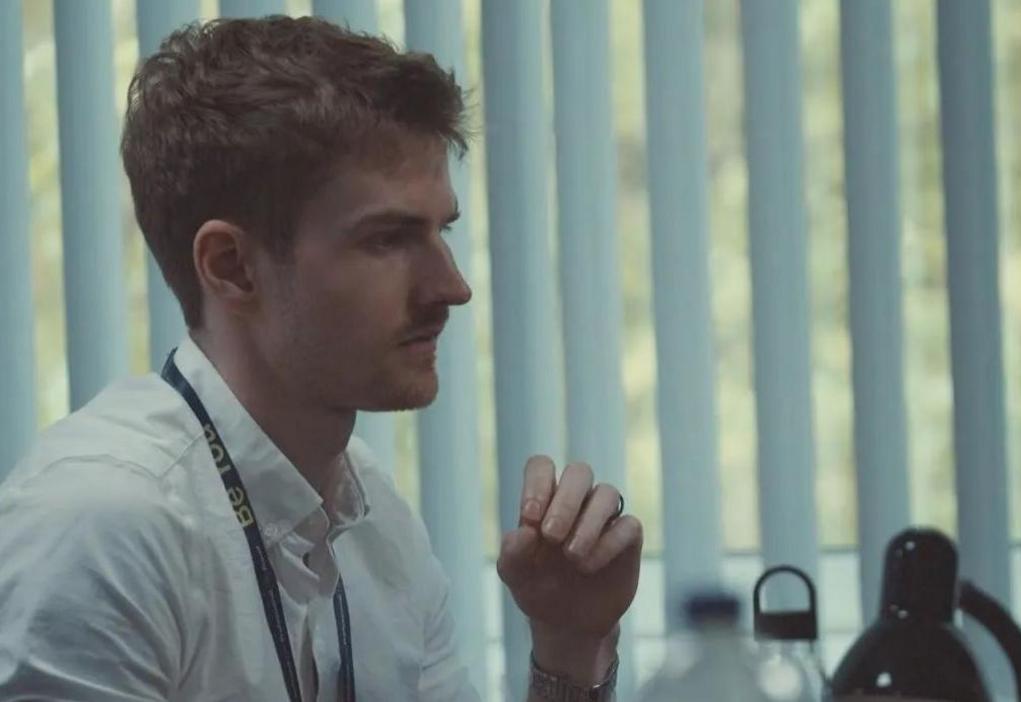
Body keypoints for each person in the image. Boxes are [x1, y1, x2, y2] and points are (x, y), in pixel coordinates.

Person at [0, 14, 641, 702]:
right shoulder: (104, 524)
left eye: (441, 231)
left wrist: (571, 647)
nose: (452, 287)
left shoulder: (370, 517)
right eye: (388, 239)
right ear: (233, 267)